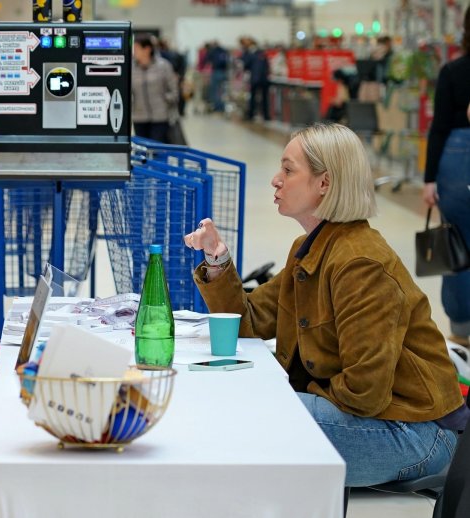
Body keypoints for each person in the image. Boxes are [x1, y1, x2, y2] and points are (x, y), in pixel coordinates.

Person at [183, 122, 467, 487]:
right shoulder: (313, 249)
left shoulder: (361, 263)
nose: (275, 180)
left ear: (324, 183)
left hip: (414, 432)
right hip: (376, 417)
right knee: (244, 403)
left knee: (249, 412)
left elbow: (365, 391)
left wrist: (286, 390)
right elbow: (251, 320)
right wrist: (217, 259)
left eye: (288, 170)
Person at [422, 5, 470, 349]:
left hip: (455, 158)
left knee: (457, 246)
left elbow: (438, 127)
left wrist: (429, 180)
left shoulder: (453, 71)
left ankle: (461, 331)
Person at [131, 36, 182, 144]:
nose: (134, 52)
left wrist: (165, 99)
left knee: (157, 148)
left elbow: (174, 91)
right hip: (139, 117)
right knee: (142, 149)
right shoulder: (131, 68)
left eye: (136, 48)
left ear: (147, 49)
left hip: (160, 117)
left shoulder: (164, 66)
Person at [240, 37, 270, 122]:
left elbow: (246, 64)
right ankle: (264, 115)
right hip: (262, 78)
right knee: (263, 98)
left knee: (255, 97)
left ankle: (253, 114)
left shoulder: (251, 54)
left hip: (256, 78)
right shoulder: (261, 53)